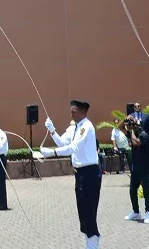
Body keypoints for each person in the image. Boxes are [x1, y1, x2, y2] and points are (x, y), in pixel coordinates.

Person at [41, 100, 102, 249]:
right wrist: (52, 130)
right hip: (80, 174)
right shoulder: (75, 128)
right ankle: (90, 243)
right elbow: (62, 143)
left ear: (82, 112)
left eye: (73, 112)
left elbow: (73, 147)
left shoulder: (86, 127)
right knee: (82, 213)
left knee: (89, 211)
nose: (71, 114)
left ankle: (93, 244)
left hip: (90, 174)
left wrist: (51, 153)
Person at [123, 116, 149, 224]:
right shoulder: (132, 134)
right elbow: (120, 128)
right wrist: (126, 121)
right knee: (132, 190)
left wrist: (131, 130)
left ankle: (148, 212)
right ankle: (136, 211)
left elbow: (136, 142)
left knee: (146, 190)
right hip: (135, 167)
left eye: (134, 125)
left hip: (145, 167)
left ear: (138, 125)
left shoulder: (144, 135)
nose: (132, 127)